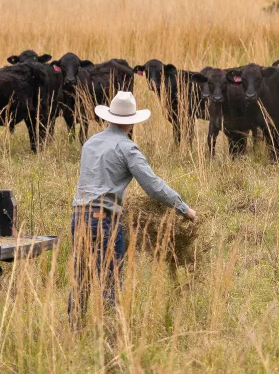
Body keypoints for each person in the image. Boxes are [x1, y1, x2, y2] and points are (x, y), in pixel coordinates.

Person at [71, 90, 195, 317]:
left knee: (81, 277)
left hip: (78, 216)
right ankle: (111, 329)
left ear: (109, 118)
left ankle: (73, 328)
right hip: (104, 218)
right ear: (131, 123)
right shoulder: (127, 148)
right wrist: (184, 208)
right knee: (110, 277)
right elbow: (153, 186)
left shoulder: (90, 143)